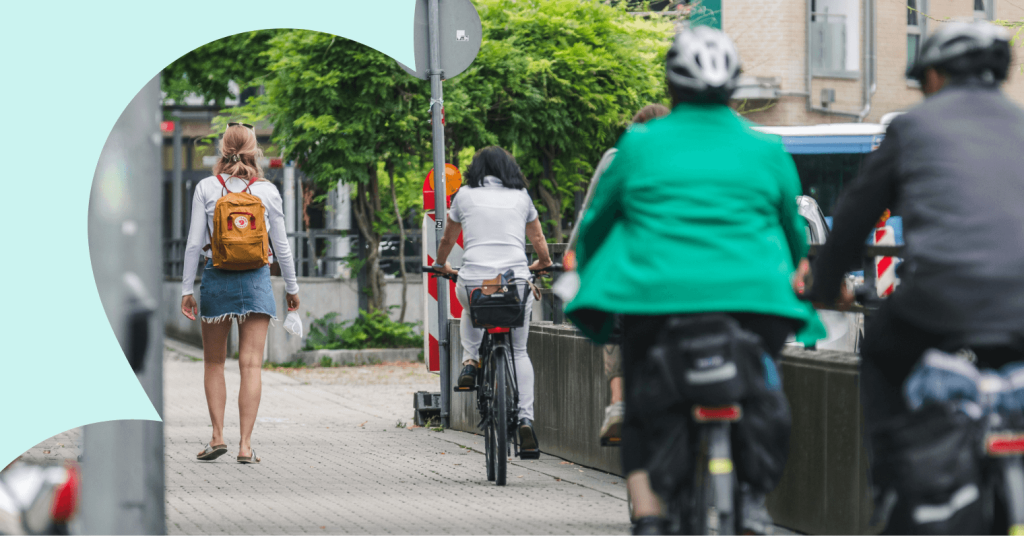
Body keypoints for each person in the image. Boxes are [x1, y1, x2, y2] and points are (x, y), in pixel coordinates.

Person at [565, 27, 824, 536]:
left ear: (671, 86)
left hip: (657, 302)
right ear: (733, 88)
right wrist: (801, 267)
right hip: (756, 302)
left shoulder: (638, 146)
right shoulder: (767, 148)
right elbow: (794, 232)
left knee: (640, 404)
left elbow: (594, 226)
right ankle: (749, 500)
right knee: (760, 385)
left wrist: (583, 270)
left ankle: (651, 516)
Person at [808, 22, 1022, 535]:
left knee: (879, 350)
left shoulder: (914, 128)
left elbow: (855, 218)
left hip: (938, 305)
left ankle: (891, 483)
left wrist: (826, 287)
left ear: (936, 75)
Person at [181, 123, 300, 465]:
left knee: (214, 362)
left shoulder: (206, 187)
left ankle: (217, 436)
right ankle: (245, 446)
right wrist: (292, 289)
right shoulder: (267, 191)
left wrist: (187, 288)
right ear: (254, 150)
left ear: (223, 150)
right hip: (257, 278)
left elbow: (193, 243)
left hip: (217, 276)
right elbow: (282, 246)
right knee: (251, 365)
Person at [433, 146, 553, 458]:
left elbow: (447, 240)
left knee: (470, 306)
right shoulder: (522, 197)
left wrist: (440, 265)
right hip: (515, 283)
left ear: (476, 169)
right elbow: (538, 241)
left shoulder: (464, 196)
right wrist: (544, 263)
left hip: (475, 280)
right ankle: (525, 418)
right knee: (518, 351)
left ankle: (471, 361)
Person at [566, 103, 671, 446]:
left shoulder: (620, 155)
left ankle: (618, 402)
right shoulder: (688, 157)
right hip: (685, 267)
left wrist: (574, 255)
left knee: (614, 322)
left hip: (634, 268)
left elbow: (592, 211)